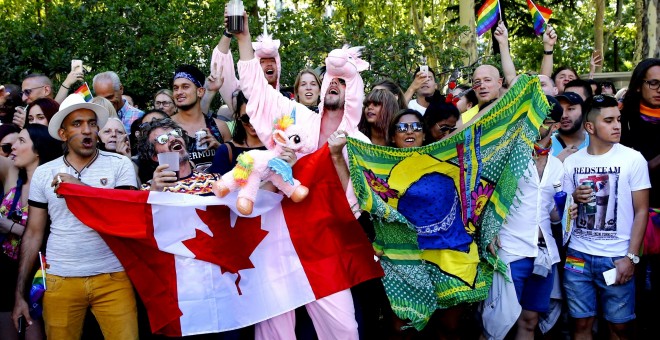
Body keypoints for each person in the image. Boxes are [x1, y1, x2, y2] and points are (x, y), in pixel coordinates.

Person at [232, 9, 371, 339]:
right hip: (278, 241)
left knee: (344, 331)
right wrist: (243, 38)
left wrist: (337, 158)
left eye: (344, 81)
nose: (335, 85)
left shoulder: (362, 145)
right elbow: (257, 91)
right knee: (274, 333)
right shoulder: (297, 117)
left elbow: (359, 205)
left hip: (324, 247)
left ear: (354, 93)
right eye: (331, 80)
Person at [12, 93, 139, 339]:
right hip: (60, 278)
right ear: (63, 134)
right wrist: (19, 294)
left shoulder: (119, 165)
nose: (87, 130)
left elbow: (126, 215)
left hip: (113, 277)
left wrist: (80, 191)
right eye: (77, 124)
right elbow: (33, 233)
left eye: (92, 123)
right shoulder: (43, 173)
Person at [562, 94, 650, 340]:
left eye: (618, 119)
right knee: (580, 325)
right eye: (609, 120)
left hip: (617, 257)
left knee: (619, 328)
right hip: (577, 257)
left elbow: (641, 210)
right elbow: (561, 213)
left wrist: (631, 257)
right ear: (590, 127)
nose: (617, 126)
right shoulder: (571, 163)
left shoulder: (633, 159)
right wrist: (572, 199)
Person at [485, 96, 565, 339]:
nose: (533, 124)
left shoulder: (558, 166)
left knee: (529, 320)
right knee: (496, 323)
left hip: (544, 254)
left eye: (541, 120)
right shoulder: (509, 157)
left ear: (555, 126)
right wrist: (490, 231)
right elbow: (486, 196)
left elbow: (552, 214)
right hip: (510, 249)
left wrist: (565, 211)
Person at [0, 124, 61, 340]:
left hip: (40, 275)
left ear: (39, 150)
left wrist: (9, 226)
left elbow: (46, 234)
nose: (12, 147)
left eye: (21, 141)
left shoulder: (55, 186)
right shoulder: (13, 177)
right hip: (6, 273)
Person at [619, 59, 660, 330]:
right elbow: (622, 169)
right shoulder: (622, 118)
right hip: (635, 215)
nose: (659, 89)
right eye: (654, 83)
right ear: (638, 86)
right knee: (636, 291)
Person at [170, 64, 231, 172]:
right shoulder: (166, 128)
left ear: (200, 91)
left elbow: (237, 167)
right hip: (181, 188)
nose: (179, 92)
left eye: (185, 87)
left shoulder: (220, 127)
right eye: (175, 88)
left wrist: (220, 148)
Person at [207, 91, 266, 175]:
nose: (252, 123)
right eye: (246, 118)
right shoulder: (226, 151)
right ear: (238, 116)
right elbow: (217, 186)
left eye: (257, 116)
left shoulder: (278, 147)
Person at [552, 92, 589, 161]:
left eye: (570, 109)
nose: (564, 115)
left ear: (583, 112)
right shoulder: (544, 146)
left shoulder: (596, 142)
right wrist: (557, 162)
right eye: (559, 110)